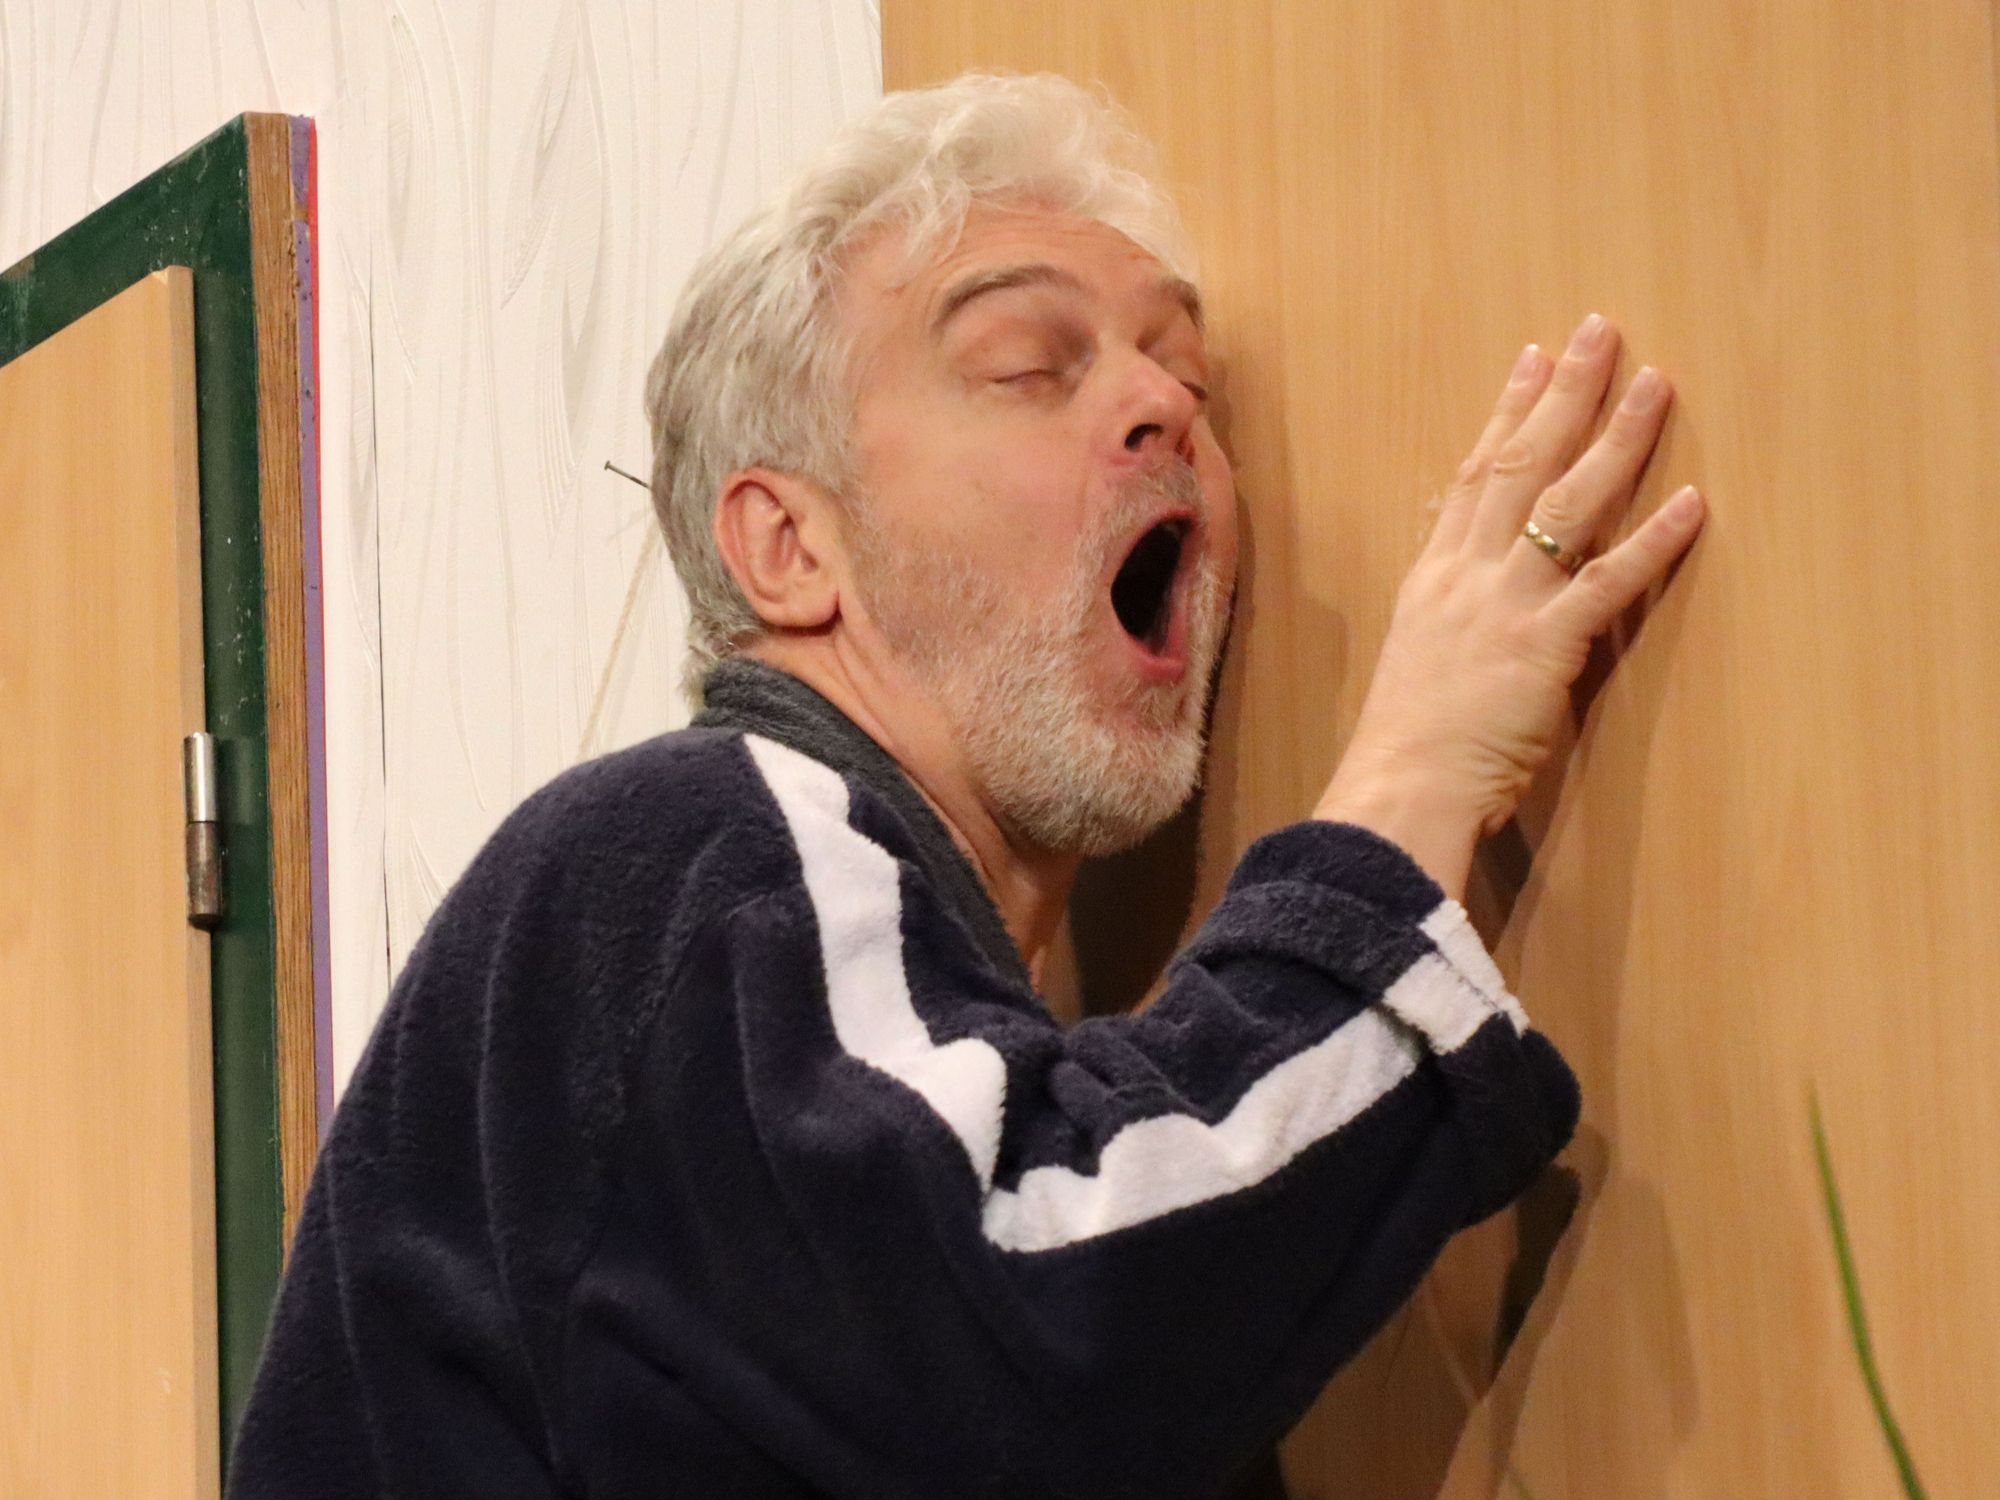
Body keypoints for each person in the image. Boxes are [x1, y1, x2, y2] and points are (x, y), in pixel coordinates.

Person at [226, 71, 1703, 1499]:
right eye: (1027, 366)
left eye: (1187, 378)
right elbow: (1049, 1335)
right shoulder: (686, 845)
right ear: (790, 549)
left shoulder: (865, 991)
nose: (1163, 406)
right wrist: (1414, 776)